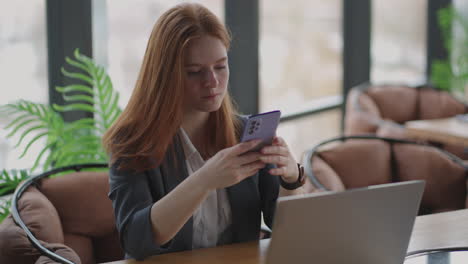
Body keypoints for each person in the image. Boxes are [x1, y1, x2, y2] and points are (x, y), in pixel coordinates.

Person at [102, 3, 305, 260]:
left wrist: (290, 179)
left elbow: (289, 230)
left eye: (220, 66)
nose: (212, 82)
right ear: (165, 76)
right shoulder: (132, 142)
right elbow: (136, 239)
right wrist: (204, 180)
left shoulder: (245, 133)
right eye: (194, 72)